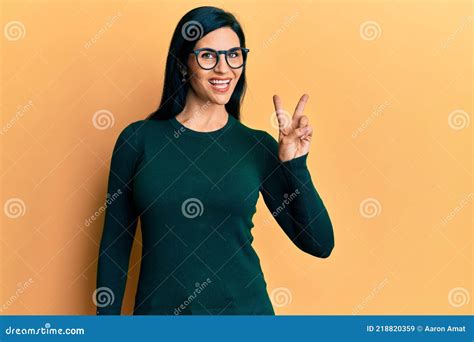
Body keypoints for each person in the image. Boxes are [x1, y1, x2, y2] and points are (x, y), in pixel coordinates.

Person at [95, 5, 334, 315]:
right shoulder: (138, 141)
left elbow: (319, 244)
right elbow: (114, 246)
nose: (224, 69)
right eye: (208, 56)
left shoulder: (256, 145)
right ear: (183, 65)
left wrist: (295, 165)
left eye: (234, 55)